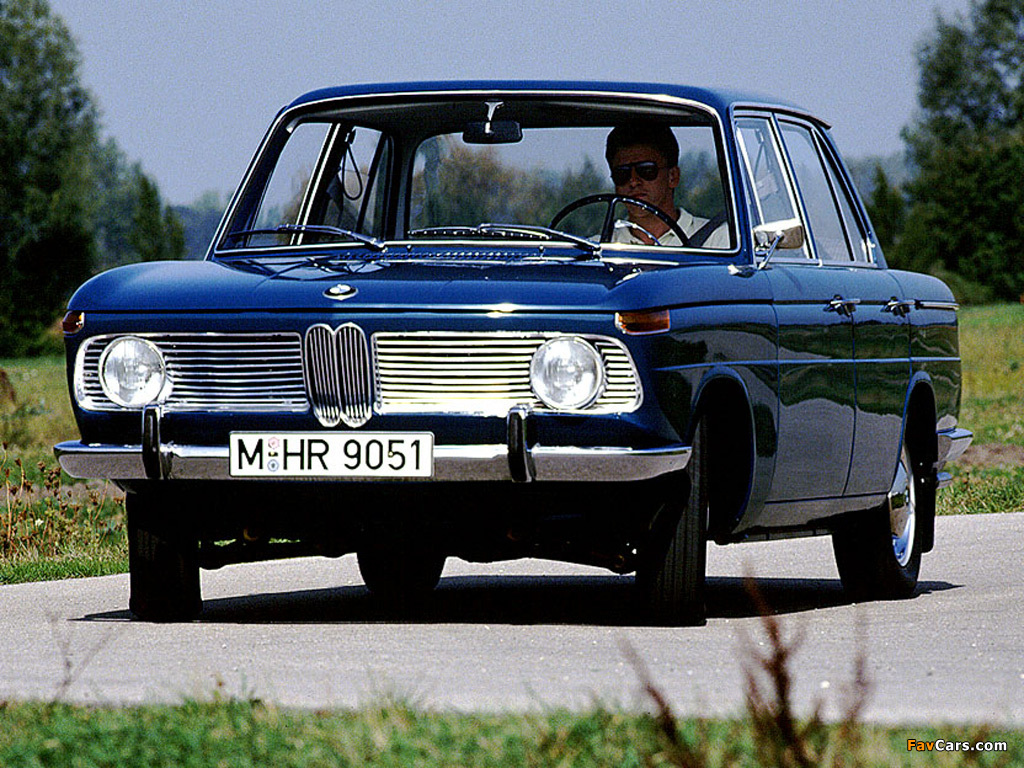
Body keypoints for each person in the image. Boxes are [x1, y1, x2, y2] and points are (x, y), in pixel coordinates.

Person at [605, 123, 729, 248]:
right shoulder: (601, 247)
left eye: (646, 170)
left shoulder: (717, 240)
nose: (633, 182)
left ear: (672, 177)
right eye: (622, 173)